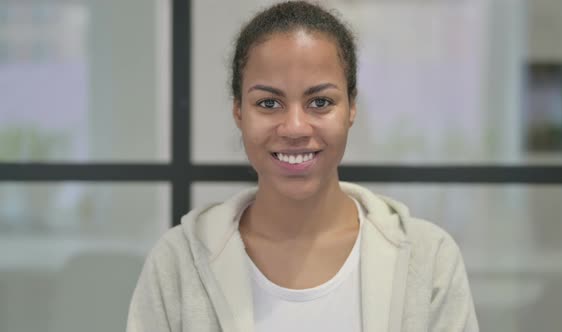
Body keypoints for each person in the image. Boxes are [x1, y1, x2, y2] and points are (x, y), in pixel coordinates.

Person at [127, 1, 479, 331]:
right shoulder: (177, 264)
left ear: (352, 107)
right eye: (268, 103)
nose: (295, 128)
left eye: (320, 102)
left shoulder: (429, 259)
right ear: (238, 111)